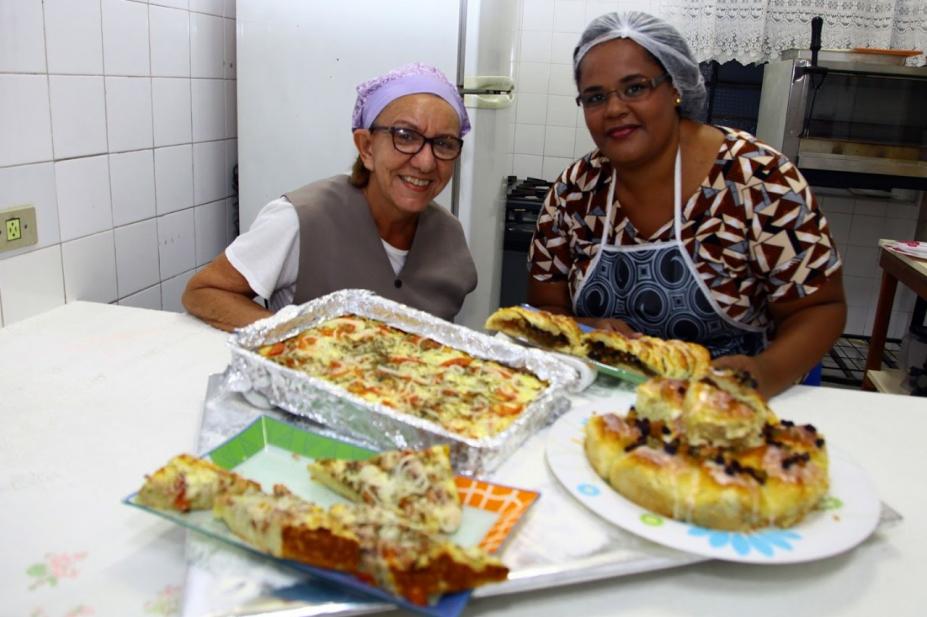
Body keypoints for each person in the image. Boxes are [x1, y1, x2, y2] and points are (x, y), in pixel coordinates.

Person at [527, 12, 846, 398]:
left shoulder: (757, 179)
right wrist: (588, 328)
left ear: (675, 86)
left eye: (635, 88)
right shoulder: (574, 194)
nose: (614, 109)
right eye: (595, 97)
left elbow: (820, 308)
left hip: (732, 404)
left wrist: (762, 374)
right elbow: (546, 312)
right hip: (603, 402)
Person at [183, 64, 478, 330]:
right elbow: (204, 292)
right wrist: (300, 339)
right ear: (367, 148)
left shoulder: (449, 235)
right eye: (405, 136)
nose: (426, 162)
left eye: (443, 143)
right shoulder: (303, 219)